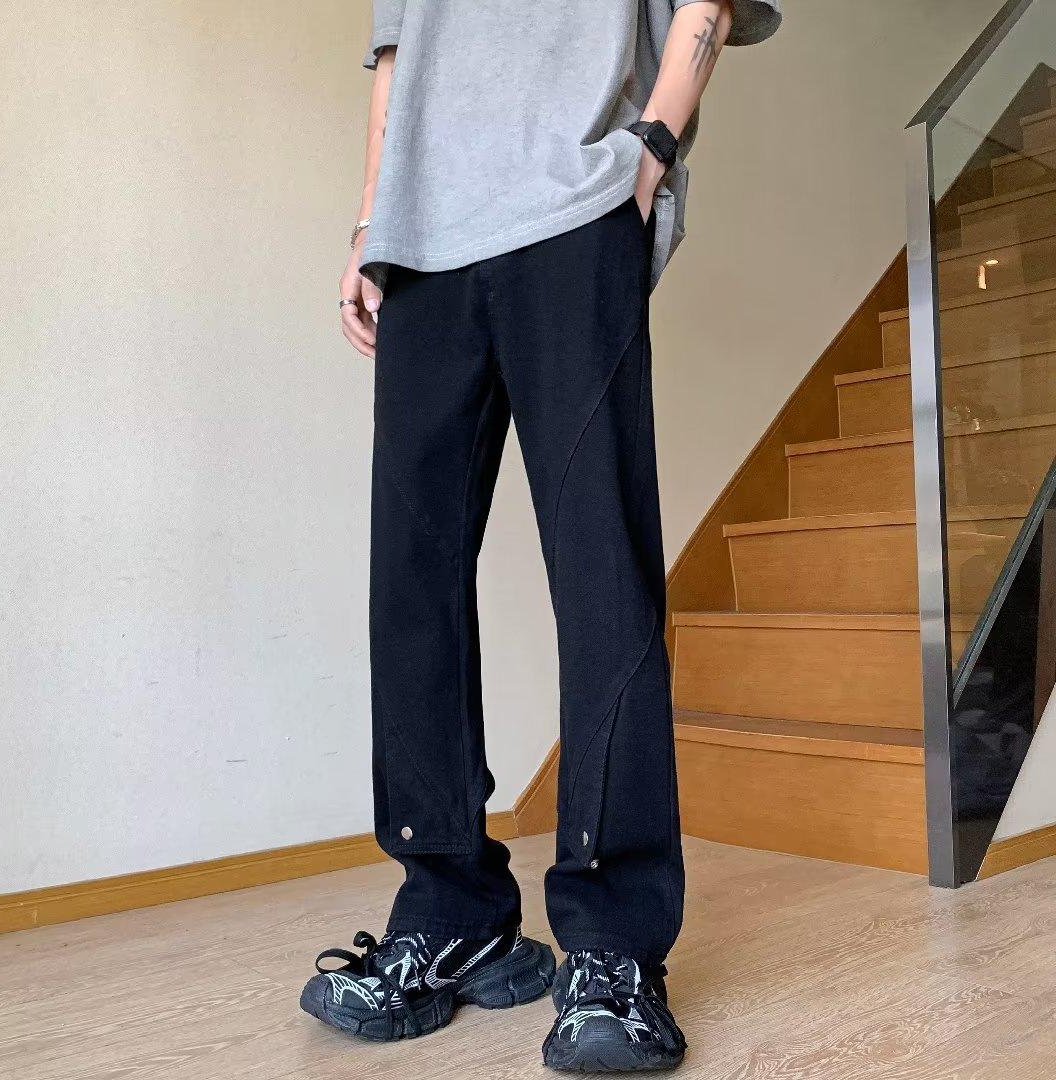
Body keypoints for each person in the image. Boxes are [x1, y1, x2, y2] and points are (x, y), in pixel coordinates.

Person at [300, 0, 781, 1071]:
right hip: (423, 239)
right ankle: (451, 908)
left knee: (603, 574)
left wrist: (649, 155)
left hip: (574, 210)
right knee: (410, 585)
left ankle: (614, 946)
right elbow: (397, 54)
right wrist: (370, 226)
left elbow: (705, 8)